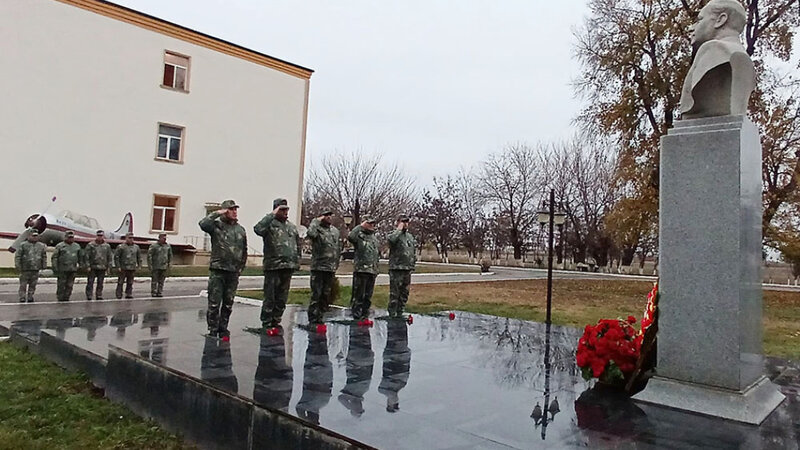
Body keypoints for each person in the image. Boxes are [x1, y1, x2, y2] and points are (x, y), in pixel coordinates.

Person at [680, 0, 754, 119]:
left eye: (699, 20)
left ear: (720, 20)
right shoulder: (743, 57)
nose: (691, 28)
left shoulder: (713, 50)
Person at [199, 200, 248, 339]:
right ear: (225, 211)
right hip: (218, 270)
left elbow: (244, 250)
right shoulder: (216, 226)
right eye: (231, 209)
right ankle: (213, 329)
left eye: (235, 209)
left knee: (228, 303)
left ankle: (223, 328)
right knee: (214, 303)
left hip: (233, 272)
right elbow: (203, 224)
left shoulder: (240, 229)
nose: (234, 212)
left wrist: (240, 268)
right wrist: (217, 212)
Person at [254, 198, 302, 329]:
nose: (285, 212)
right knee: (270, 296)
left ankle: (276, 320)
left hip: (288, 266)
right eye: (282, 210)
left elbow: (297, 244)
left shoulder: (291, 227)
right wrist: (272, 215)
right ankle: (267, 322)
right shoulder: (269, 224)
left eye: (286, 209)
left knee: (282, 297)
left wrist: (297, 261)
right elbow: (257, 229)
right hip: (273, 266)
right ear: (276, 210)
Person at [305, 209, 341, 324]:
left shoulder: (335, 231)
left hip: (330, 267)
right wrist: (316, 221)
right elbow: (311, 234)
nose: (329, 217)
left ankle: (321, 317)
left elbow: (337, 247)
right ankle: (313, 319)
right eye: (326, 215)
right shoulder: (317, 228)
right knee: (316, 294)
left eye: (330, 215)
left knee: (326, 295)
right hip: (319, 267)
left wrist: (336, 263)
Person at [348, 217, 379, 321]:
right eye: (369, 223)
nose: (372, 225)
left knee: (368, 296)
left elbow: (376, 255)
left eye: (373, 223)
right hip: (361, 270)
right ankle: (356, 316)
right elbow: (351, 237)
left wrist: (376, 269)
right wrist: (360, 226)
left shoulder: (374, 238)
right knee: (358, 295)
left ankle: (365, 315)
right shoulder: (359, 235)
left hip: (372, 271)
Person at [387, 215, 417, 317]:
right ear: (398, 222)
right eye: (403, 221)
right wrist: (398, 229)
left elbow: (413, 250)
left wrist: (412, 263)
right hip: (396, 268)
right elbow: (391, 240)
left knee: (405, 293)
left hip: (407, 269)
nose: (405, 224)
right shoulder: (393, 234)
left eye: (407, 222)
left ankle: (400, 312)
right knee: (395, 294)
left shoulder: (410, 237)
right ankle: (392, 313)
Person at [15, 229, 47, 303]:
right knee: (23, 284)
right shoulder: (23, 245)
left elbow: (44, 256)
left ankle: (30, 296)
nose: (35, 237)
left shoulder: (41, 246)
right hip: (25, 268)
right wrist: (18, 265)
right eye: (33, 236)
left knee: (33, 284)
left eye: (36, 236)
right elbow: (18, 256)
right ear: (29, 236)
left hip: (36, 268)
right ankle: (22, 297)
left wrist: (44, 265)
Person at [52, 230, 83, 302]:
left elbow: (80, 257)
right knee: (61, 284)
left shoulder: (77, 246)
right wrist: (55, 267)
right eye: (69, 237)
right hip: (62, 269)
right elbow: (55, 257)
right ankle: (60, 297)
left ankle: (67, 296)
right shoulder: (60, 246)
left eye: (72, 237)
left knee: (70, 285)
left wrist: (81, 265)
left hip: (73, 269)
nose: (70, 239)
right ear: (65, 237)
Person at [84, 230, 113, 300]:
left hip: (102, 267)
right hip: (93, 267)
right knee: (90, 282)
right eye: (98, 236)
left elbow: (109, 257)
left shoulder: (107, 246)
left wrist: (109, 267)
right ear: (96, 236)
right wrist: (87, 266)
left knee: (100, 282)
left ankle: (99, 294)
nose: (100, 237)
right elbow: (86, 256)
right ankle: (89, 295)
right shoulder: (91, 245)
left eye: (101, 236)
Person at [114, 232, 141, 299]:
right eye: (129, 238)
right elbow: (116, 257)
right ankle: (119, 294)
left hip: (132, 267)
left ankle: (129, 293)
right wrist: (118, 266)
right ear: (126, 238)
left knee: (130, 282)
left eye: (132, 238)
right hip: (123, 267)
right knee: (120, 282)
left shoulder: (136, 247)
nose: (131, 239)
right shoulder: (121, 247)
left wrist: (139, 265)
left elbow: (139, 257)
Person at [147, 233, 172, 297]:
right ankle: (154, 292)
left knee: (161, 281)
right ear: (159, 238)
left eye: (165, 238)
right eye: (163, 238)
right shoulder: (154, 246)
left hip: (164, 266)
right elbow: (149, 256)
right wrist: (150, 265)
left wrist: (169, 264)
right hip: (156, 266)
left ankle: (160, 292)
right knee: (154, 280)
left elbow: (170, 255)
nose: (165, 239)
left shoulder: (168, 246)